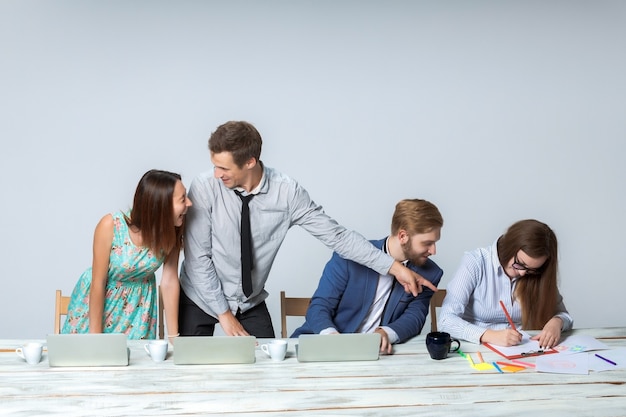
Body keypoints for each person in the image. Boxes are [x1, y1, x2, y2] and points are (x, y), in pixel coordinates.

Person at [178, 120, 437, 338]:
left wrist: (394, 268)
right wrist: (224, 315)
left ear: (249, 162)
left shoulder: (287, 193)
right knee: (192, 374)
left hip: (248, 301)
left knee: (269, 373)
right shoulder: (204, 187)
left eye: (223, 167)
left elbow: (338, 237)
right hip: (199, 296)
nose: (216, 174)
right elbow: (198, 258)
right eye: (214, 165)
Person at [292, 199, 444, 354]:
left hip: (376, 355)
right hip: (323, 347)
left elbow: (414, 318)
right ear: (403, 236)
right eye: (427, 243)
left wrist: (386, 333)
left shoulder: (429, 273)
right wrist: (331, 337)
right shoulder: (350, 255)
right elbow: (319, 306)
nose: (433, 251)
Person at [62, 169, 192, 340]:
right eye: (183, 199)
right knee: (86, 359)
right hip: (99, 305)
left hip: (139, 310)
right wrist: (95, 338)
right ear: (161, 205)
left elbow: (169, 281)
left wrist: (174, 338)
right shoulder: (110, 226)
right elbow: (98, 282)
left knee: (136, 362)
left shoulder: (172, 230)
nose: (189, 203)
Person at [438, 219, 573, 349]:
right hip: (475, 349)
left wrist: (557, 322)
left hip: (521, 349)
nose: (523, 274)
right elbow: (446, 320)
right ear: (509, 246)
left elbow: (564, 315)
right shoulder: (475, 262)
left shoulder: (537, 274)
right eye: (520, 264)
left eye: (532, 270)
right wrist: (488, 335)